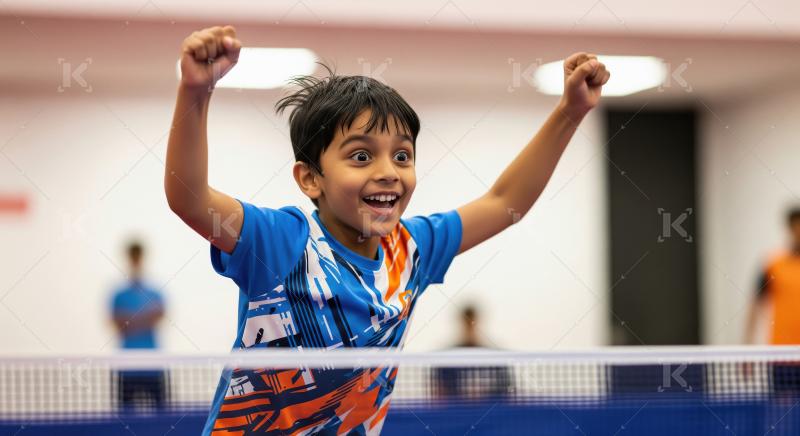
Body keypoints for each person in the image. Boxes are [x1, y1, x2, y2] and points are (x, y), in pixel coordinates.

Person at [164, 25, 609, 435]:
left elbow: (504, 203)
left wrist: (570, 112)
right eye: (361, 156)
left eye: (402, 156)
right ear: (310, 179)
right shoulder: (281, 240)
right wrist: (196, 92)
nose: (388, 172)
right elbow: (189, 198)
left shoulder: (412, 249)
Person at [745, 208, 800, 398]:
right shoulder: (773, 264)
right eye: (796, 226)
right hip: (782, 356)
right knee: (783, 419)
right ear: (790, 228)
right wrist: (747, 350)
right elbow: (755, 304)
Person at [110, 241, 167, 411]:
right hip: (127, 367)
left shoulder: (155, 292)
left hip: (153, 365)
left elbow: (159, 317)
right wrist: (146, 317)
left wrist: (129, 319)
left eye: (138, 256)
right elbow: (117, 323)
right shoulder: (119, 294)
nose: (136, 260)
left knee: (162, 418)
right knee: (126, 419)